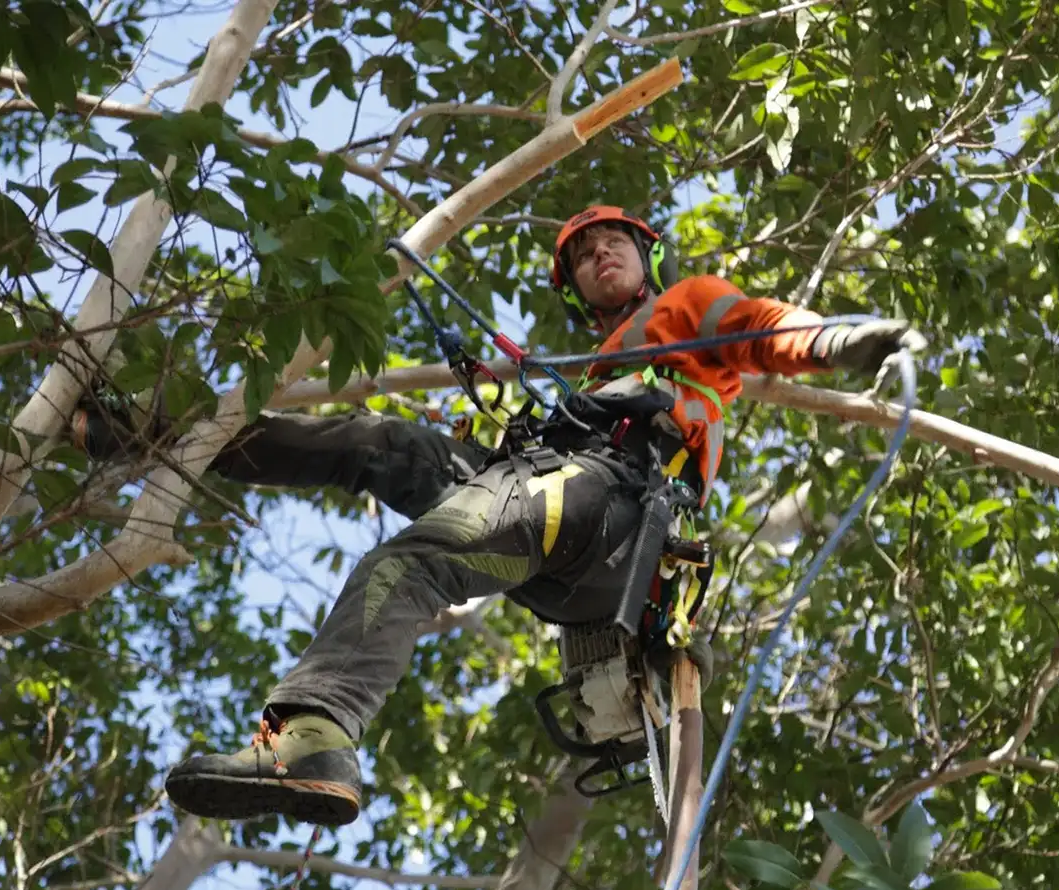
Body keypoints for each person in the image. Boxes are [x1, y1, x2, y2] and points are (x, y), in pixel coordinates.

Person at [71, 205, 925, 828]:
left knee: (408, 564)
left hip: (614, 504)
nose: (599, 254)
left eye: (612, 241)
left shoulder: (679, 314)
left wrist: (849, 340)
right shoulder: (588, 372)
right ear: (574, 286)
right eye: (583, 253)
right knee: (376, 443)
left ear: (646, 251)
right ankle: (143, 433)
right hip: (565, 530)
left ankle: (306, 735)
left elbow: (762, 326)